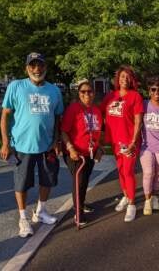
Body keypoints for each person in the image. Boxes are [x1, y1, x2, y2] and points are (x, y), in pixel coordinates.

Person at [0, 52, 63, 237]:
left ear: (45, 67)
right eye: (33, 65)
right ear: (27, 68)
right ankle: (23, 219)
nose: (37, 69)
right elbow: (4, 116)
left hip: (47, 146)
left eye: (40, 65)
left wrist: (56, 140)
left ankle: (41, 211)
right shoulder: (16, 86)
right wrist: (5, 142)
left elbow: (58, 118)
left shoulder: (54, 90)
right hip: (21, 146)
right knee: (22, 184)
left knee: (48, 179)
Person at [100, 66, 143, 222]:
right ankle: (126, 195)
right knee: (120, 171)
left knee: (128, 171)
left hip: (129, 142)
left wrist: (133, 141)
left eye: (127, 77)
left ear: (132, 80)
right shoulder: (110, 96)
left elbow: (138, 120)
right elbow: (100, 112)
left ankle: (132, 204)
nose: (124, 79)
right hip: (115, 142)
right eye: (122, 76)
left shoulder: (135, 96)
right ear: (117, 79)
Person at [61, 79, 103, 225]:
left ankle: (81, 203)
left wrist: (99, 148)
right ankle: (78, 214)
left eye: (89, 91)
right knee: (79, 182)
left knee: (85, 180)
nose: (86, 94)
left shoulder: (96, 110)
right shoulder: (74, 109)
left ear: (94, 93)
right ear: (78, 94)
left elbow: (97, 133)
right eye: (83, 92)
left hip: (90, 153)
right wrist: (70, 148)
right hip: (75, 153)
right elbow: (64, 131)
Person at [140, 77, 159, 215]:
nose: (156, 92)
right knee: (148, 173)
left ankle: (154, 196)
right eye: (153, 89)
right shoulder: (144, 104)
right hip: (146, 146)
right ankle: (147, 200)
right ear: (149, 91)